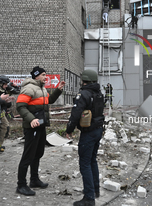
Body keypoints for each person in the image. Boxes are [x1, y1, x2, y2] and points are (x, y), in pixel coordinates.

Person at [16, 66, 65, 196]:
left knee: (38, 154)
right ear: (36, 75)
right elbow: (20, 106)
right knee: (28, 156)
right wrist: (31, 119)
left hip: (41, 126)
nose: (45, 77)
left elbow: (49, 100)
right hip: (32, 127)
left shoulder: (41, 89)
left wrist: (58, 90)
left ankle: (34, 180)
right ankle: (21, 185)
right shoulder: (29, 88)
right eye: (43, 75)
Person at [66, 69, 105, 206]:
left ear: (84, 80)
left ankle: (89, 198)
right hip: (98, 130)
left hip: (88, 133)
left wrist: (69, 130)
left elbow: (75, 114)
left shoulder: (83, 94)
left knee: (85, 164)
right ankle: (95, 190)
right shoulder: (99, 93)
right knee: (92, 161)